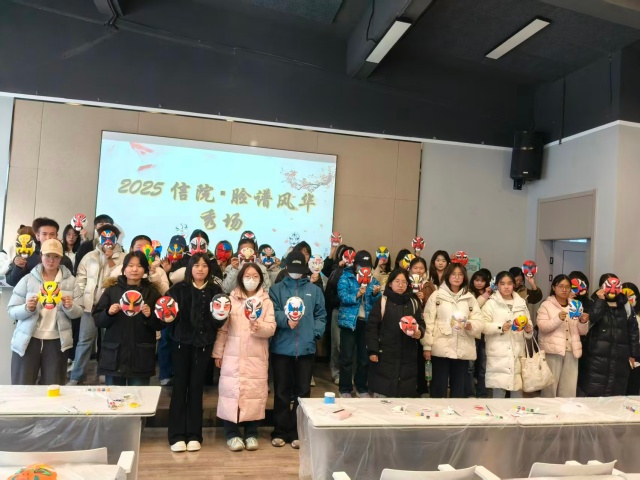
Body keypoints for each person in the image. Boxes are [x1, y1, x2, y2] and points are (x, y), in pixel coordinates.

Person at [213, 263, 275, 452]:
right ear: (240, 277)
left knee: (254, 393)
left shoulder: (266, 301)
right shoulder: (231, 300)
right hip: (232, 354)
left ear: (261, 279)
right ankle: (231, 434)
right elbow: (223, 329)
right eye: (247, 276)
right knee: (230, 392)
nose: (251, 279)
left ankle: (251, 434)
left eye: (255, 276)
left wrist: (258, 327)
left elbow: (271, 328)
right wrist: (218, 352)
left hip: (256, 355)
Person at [166, 254, 223, 452]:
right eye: (196, 265)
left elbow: (219, 321)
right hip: (180, 344)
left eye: (204, 265)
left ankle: (194, 435)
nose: (200, 269)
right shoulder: (177, 289)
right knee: (180, 387)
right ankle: (176, 435)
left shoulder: (216, 291)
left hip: (204, 345)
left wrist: (220, 318)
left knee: (197, 388)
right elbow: (167, 316)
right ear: (190, 267)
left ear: (209, 269)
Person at [269, 251, 326, 449]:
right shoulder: (276, 289)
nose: (295, 272)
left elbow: (321, 315)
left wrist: (315, 333)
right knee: (281, 392)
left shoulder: (314, 290)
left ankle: (297, 432)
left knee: (303, 392)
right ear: (286, 268)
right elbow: (272, 312)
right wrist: (285, 321)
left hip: (306, 348)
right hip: (281, 348)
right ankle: (279, 431)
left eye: (299, 269)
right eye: (292, 269)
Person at [7, 239, 83, 385]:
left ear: (61, 258)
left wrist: (70, 307)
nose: (51, 260)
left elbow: (79, 312)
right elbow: (11, 310)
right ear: (41, 255)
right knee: (22, 387)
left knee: (53, 387)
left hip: (57, 341)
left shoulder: (71, 282)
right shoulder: (28, 279)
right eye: (47, 255)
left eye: (56, 256)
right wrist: (27, 308)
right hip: (27, 341)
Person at [93, 251, 164, 386]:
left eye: (139, 266)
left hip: (140, 357)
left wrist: (150, 316)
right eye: (130, 265)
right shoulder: (112, 290)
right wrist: (108, 313)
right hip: (114, 356)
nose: (134, 269)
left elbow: (161, 324)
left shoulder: (152, 292)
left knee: (139, 396)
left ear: (145, 270)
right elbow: (97, 320)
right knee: (114, 396)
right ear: (124, 268)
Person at [68, 224, 125, 385]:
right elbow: (80, 278)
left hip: (111, 307)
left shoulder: (123, 257)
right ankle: (76, 377)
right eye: (104, 236)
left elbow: (120, 278)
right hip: (90, 307)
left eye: (111, 237)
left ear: (116, 238)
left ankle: (105, 373)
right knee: (84, 341)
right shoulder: (89, 256)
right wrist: (82, 299)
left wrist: (109, 258)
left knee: (108, 342)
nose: (107, 240)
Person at [422, 263, 483, 398]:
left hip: (462, 348)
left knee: (459, 389)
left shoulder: (469, 297)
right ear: (447, 276)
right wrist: (427, 346)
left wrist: (470, 325)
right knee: (438, 387)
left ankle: (456, 411)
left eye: (460, 274)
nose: (457, 277)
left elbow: (479, 321)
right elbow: (428, 321)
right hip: (440, 347)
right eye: (453, 274)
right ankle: (437, 410)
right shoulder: (437, 296)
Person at [366, 269, 425, 397]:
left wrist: (419, 332)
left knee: (404, 399)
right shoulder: (382, 302)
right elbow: (372, 327)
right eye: (397, 281)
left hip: (408, 355)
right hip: (385, 354)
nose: (400, 285)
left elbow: (421, 324)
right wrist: (373, 351)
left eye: (404, 282)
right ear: (390, 283)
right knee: (382, 397)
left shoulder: (413, 302)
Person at [578, 274, 639, 397]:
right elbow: (592, 318)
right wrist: (600, 301)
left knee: (616, 392)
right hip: (597, 355)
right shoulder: (593, 301)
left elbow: (633, 330)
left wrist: (634, 354)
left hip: (620, 355)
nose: (612, 289)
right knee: (594, 389)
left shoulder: (625, 304)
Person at [481, 271, 533, 398]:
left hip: (517, 350)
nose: (506, 287)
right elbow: (483, 326)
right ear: (497, 285)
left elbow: (528, 324)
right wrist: (500, 327)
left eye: (509, 283)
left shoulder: (521, 303)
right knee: (499, 393)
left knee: (517, 392)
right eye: (502, 283)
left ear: (514, 285)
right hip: (498, 352)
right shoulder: (491, 303)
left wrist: (528, 330)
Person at [338, 250, 381, 398]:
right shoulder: (346, 277)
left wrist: (375, 294)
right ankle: (345, 388)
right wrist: (357, 294)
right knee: (347, 357)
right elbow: (342, 297)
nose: (365, 268)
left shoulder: (373, 281)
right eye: (362, 265)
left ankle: (361, 387)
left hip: (366, 323)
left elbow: (377, 304)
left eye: (367, 266)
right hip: (349, 322)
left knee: (364, 358)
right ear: (355, 265)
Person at [537, 275, 589, 397]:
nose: (564, 289)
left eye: (567, 287)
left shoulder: (576, 305)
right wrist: (558, 319)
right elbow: (543, 327)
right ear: (553, 288)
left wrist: (583, 322)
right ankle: (549, 409)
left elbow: (582, 332)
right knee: (550, 388)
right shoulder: (546, 305)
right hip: (553, 352)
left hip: (571, 350)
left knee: (569, 388)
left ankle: (567, 409)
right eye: (560, 286)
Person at [6, 218, 74, 287]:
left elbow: (70, 285)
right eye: (44, 234)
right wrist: (18, 268)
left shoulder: (65, 260)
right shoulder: (26, 254)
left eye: (52, 234)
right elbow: (10, 281)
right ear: (38, 236)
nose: (48, 237)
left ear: (56, 236)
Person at [324, 244, 354, 384]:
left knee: (350, 345)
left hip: (353, 311)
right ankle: (336, 372)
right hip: (337, 309)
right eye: (346, 256)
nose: (349, 259)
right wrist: (340, 268)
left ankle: (348, 374)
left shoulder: (358, 271)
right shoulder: (336, 270)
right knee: (337, 344)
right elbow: (331, 285)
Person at [468, 268, 493, 398]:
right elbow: (475, 307)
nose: (479, 283)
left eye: (482, 281)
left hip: (486, 334)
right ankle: (470, 393)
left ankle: (482, 393)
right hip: (472, 334)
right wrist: (486, 295)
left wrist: (489, 294)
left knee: (484, 367)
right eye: (477, 280)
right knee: (470, 367)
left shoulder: (493, 295)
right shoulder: (469, 293)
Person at [623, 282, 640, 395]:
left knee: (633, 387)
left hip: (637, 353)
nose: (628, 299)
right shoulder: (618, 312)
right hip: (621, 352)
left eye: (631, 295)